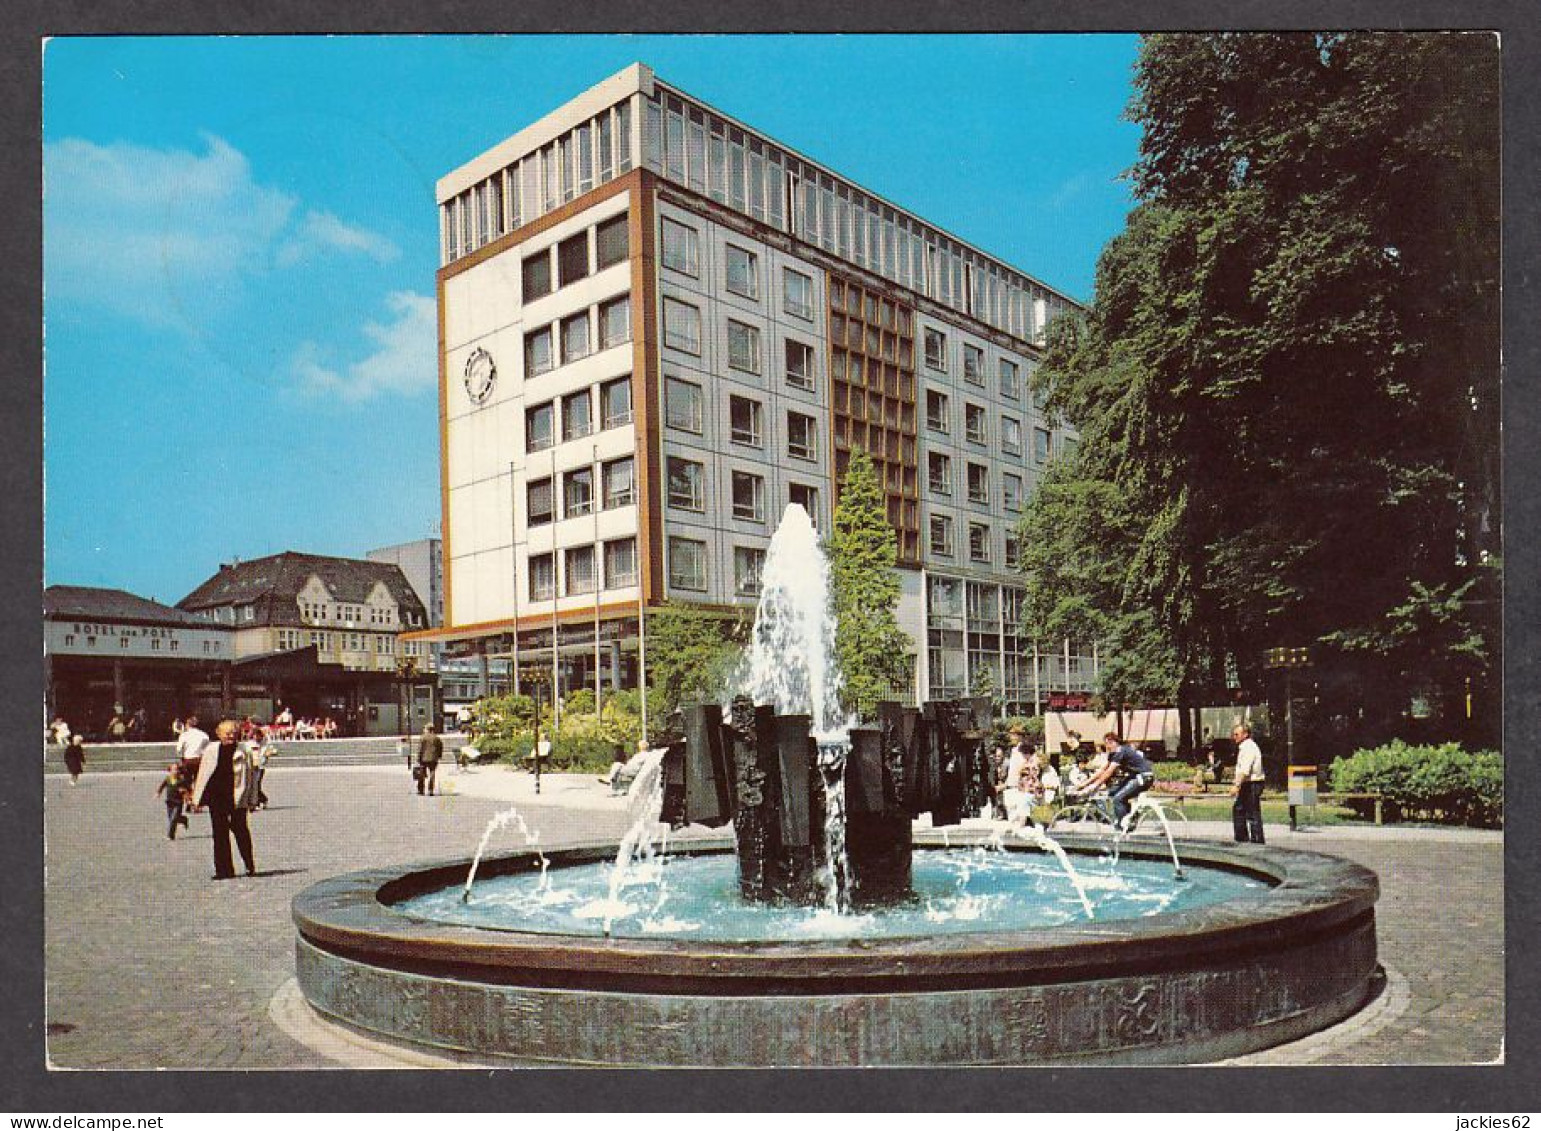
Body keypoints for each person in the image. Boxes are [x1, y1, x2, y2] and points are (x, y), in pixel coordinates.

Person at [189, 719, 257, 880]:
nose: (231, 736)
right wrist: (196, 798)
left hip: (236, 796)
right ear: (218, 734)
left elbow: (251, 778)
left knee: (240, 830)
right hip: (217, 797)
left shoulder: (244, 750)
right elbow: (203, 775)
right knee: (219, 834)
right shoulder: (211, 750)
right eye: (227, 733)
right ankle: (224, 870)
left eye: (234, 733)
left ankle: (249, 863)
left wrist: (252, 800)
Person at [1069, 732, 1157, 830]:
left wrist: (1093, 786)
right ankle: (1128, 820)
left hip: (1143, 777)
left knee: (1117, 799)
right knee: (1113, 792)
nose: (1107, 747)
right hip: (1135, 777)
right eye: (1106, 744)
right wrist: (1084, 784)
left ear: (1114, 742)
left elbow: (1108, 772)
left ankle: (1122, 826)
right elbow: (1102, 770)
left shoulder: (1120, 751)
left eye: (1108, 744)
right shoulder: (1114, 754)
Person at [1231, 723, 1267, 844]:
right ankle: (1242, 839)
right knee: (1239, 809)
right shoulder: (1244, 747)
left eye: (1237, 734)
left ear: (1245, 734)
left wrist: (1236, 786)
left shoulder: (1249, 747)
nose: (1234, 736)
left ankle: (1256, 841)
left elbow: (1245, 770)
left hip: (1252, 783)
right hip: (1248, 783)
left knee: (1252, 813)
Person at [155, 762, 189, 839]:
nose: (175, 771)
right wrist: (158, 793)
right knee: (172, 819)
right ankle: (183, 819)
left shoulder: (182, 780)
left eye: (177, 770)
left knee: (173, 819)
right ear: (170, 771)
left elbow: (187, 790)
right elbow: (162, 786)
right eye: (174, 770)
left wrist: (187, 797)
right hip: (169, 802)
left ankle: (170, 835)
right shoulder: (168, 779)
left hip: (178, 802)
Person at [247, 729, 274, 810]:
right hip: (252, 766)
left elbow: (270, 751)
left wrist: (269, 754)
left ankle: (260, 801)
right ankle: (259, 801)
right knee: (252, 785)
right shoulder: (249, 744)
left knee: (257, 784)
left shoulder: (265, 744)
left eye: (258, 735)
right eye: (255, 735)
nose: (256, 737)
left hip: (260, 767)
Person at [417, 724, 443, 796]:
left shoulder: (423, 737)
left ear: (427, 729)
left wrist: (418, 758)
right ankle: (430, 790)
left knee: (421, 774)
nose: (424, 730)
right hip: (433, 758)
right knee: (432, 773)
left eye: (424, 728)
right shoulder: (436, 738)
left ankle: (421, 790)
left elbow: (420, 749)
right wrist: (439, 756)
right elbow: (440, 747)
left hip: (423, 758)